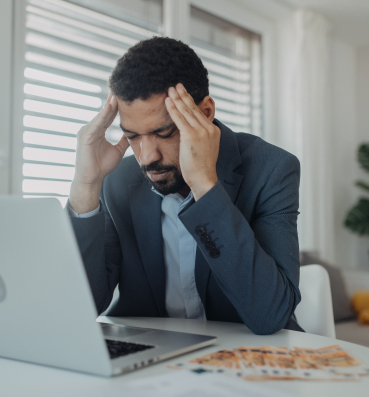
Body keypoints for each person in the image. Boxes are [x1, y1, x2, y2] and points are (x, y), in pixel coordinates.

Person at [67, 37, 302, 335]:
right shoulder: (117, 181)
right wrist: (86, 187)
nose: (147, 156)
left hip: (247, 359)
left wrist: (205, 186)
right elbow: (79, 306)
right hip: (152, 362)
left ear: (204, 114)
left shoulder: (272, 169)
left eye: (164, 132)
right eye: (133, 136)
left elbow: (271, 316)